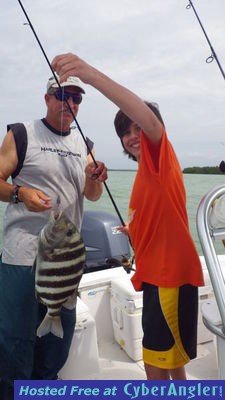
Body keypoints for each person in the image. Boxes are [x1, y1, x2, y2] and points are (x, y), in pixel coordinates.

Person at [51, 53, 204, 380]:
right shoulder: (146, 174)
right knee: (171, 359)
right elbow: (159, 214)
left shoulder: (160, 155)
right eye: (125, 131)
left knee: (154, 363)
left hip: (168, 275)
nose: (133, 135)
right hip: (158, 276)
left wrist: (89, 74)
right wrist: (133, 228)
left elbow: (149, 121)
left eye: (138, 127)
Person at [0, 73, 107, 399]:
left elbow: (92, 195)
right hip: (21, 257)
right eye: (62, 95)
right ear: (47, 98)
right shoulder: (21, 133)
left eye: (76, 98)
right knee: (16, 340)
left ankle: (44, 389)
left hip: (65, 258)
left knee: (57, 341)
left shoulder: (84, 144)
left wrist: (95, 177)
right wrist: (20, 193)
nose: (69, 103)